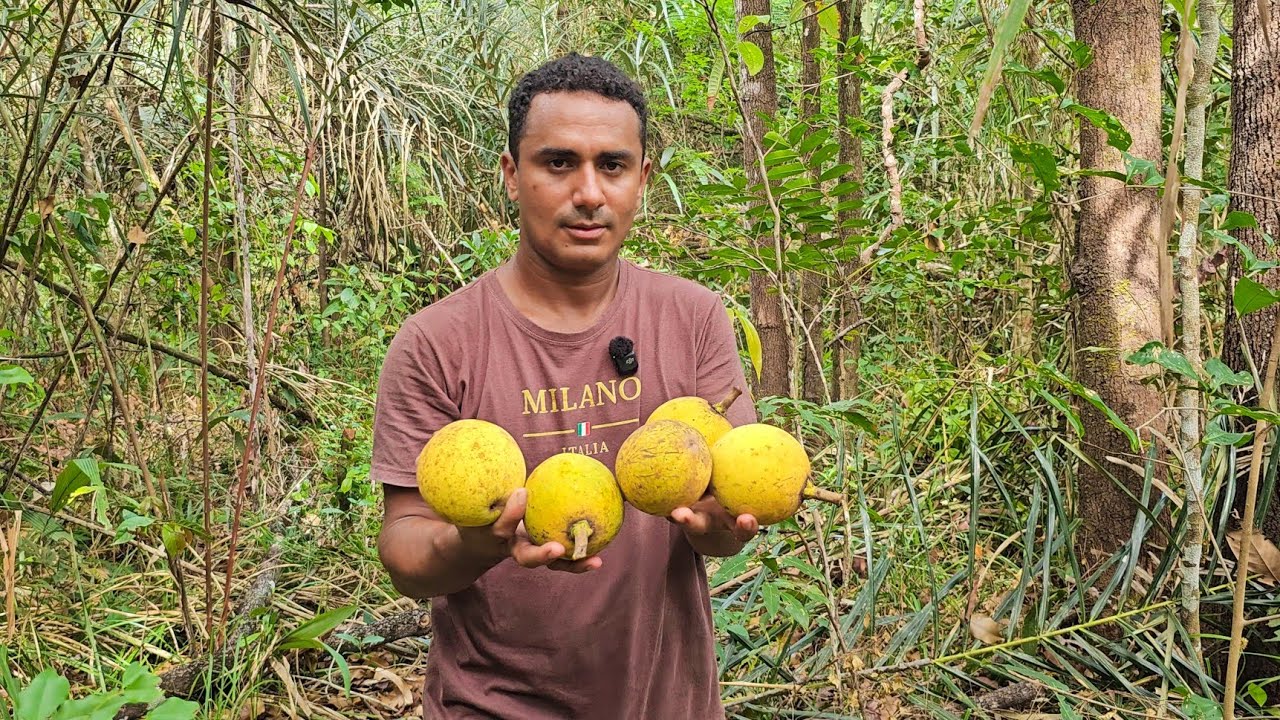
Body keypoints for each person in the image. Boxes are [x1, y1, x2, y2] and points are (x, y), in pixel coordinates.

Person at [372, 53, 759, 719]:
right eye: (558, 163)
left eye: (611, 165)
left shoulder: (693, 318)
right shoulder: (438, 341)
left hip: (666, 702)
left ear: (642, 179)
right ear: (511, 175)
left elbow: (726, 514)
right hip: (491, 705)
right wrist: (476, 543)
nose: (588, 192)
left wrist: (722, 528)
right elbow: (405, 548)